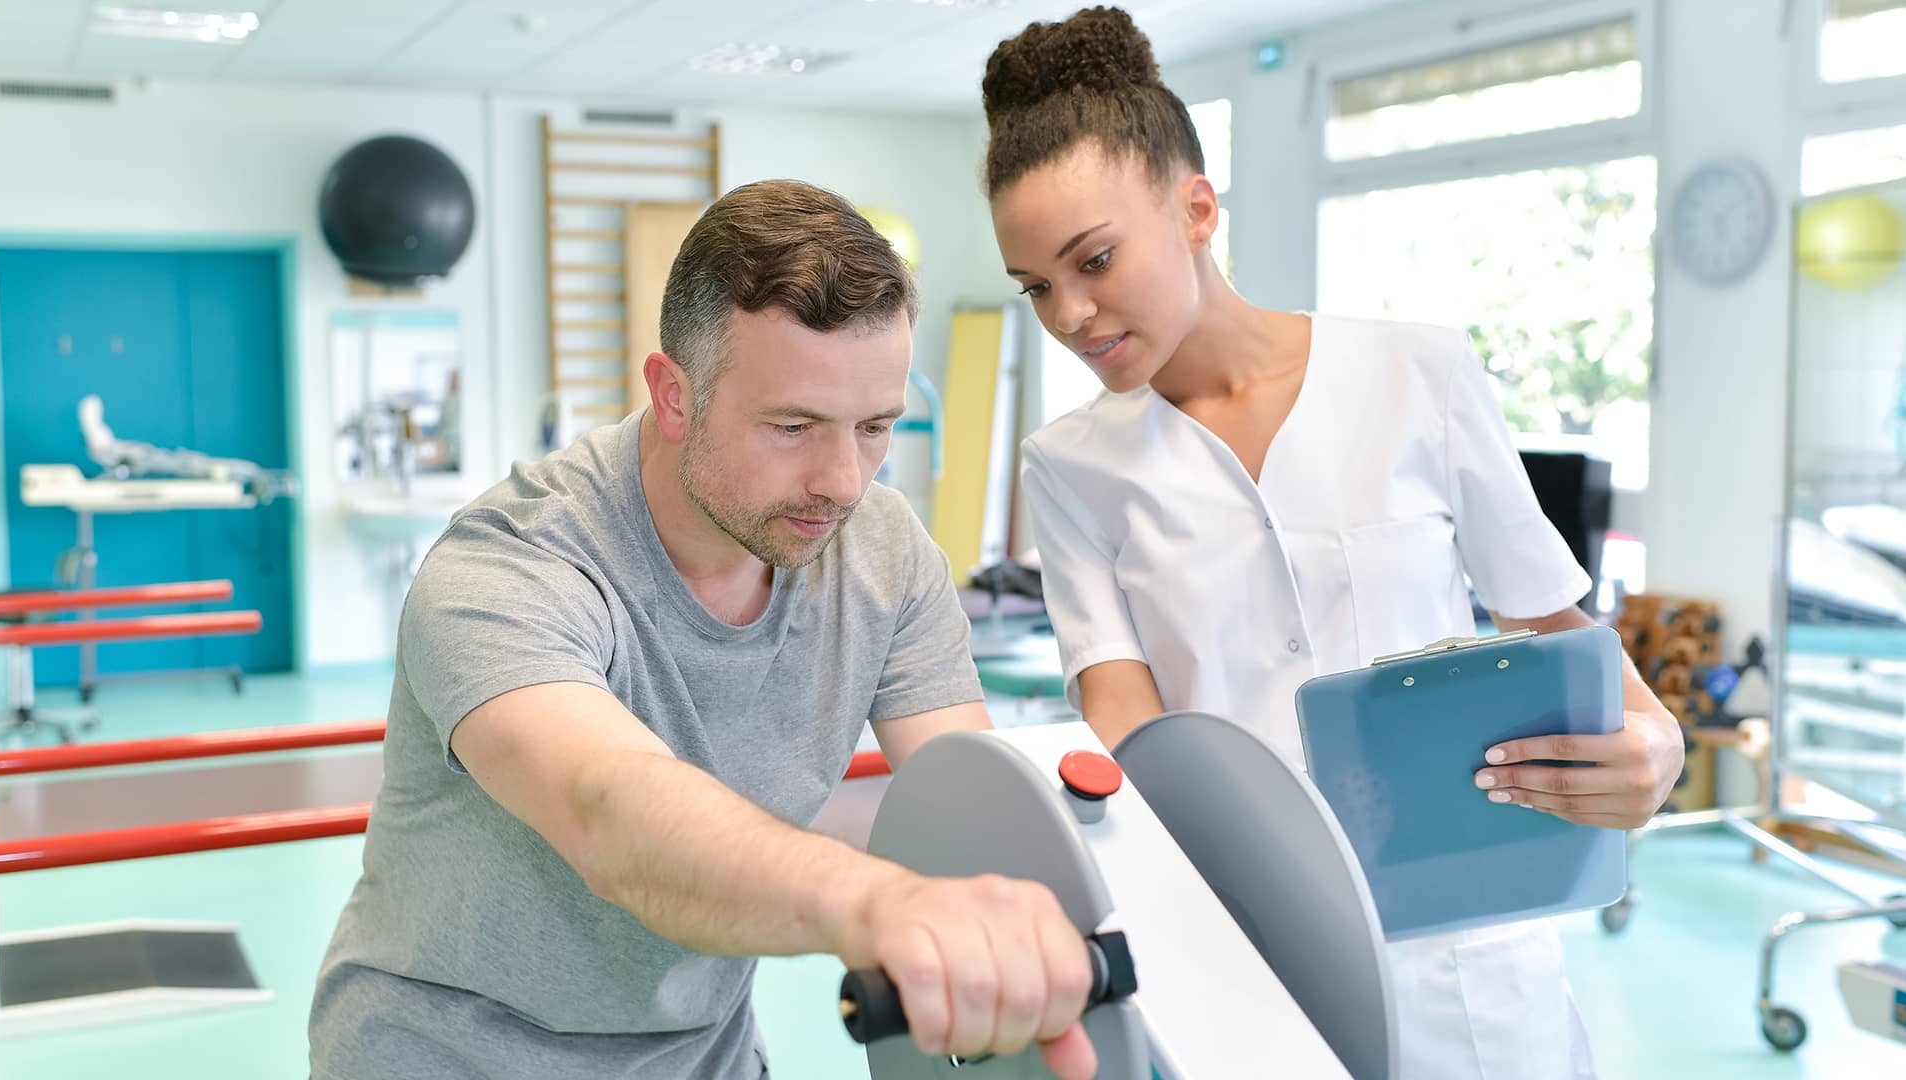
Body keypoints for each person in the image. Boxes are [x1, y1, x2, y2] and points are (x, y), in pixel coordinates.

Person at [980, 8, 1684, 1079]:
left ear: (1197, 207)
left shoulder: (1419, 377)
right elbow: (1133, 735)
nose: (1070, 314)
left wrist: (1658, 750)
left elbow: (1558, 631)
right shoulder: (1070, 466)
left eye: (1096, 260)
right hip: (1250, 953)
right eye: (1037, 287)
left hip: (1471, 958)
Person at [309, 179, 1099, 1080]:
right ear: (673, 394)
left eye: (875, 427)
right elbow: (613, 814)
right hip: (445, 1058)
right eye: (794, 426)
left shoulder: (880, 551)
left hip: (701, 1059)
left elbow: (971, 794)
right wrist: (877, 905)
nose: (844, 480)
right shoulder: (508, 566)